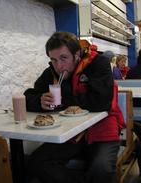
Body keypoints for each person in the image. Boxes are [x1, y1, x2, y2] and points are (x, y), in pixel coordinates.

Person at [24, 32, 125, 183]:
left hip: (103, 126)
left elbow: (101, 102)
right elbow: (28, 96)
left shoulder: (98, 64)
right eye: (53, 59)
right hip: (69, 131)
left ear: (77, 54)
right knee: (35, 162)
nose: (58, 66)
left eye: (63, 58)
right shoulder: (51, 72)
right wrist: (40, 101)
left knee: (101, 168)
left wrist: (64, 100)